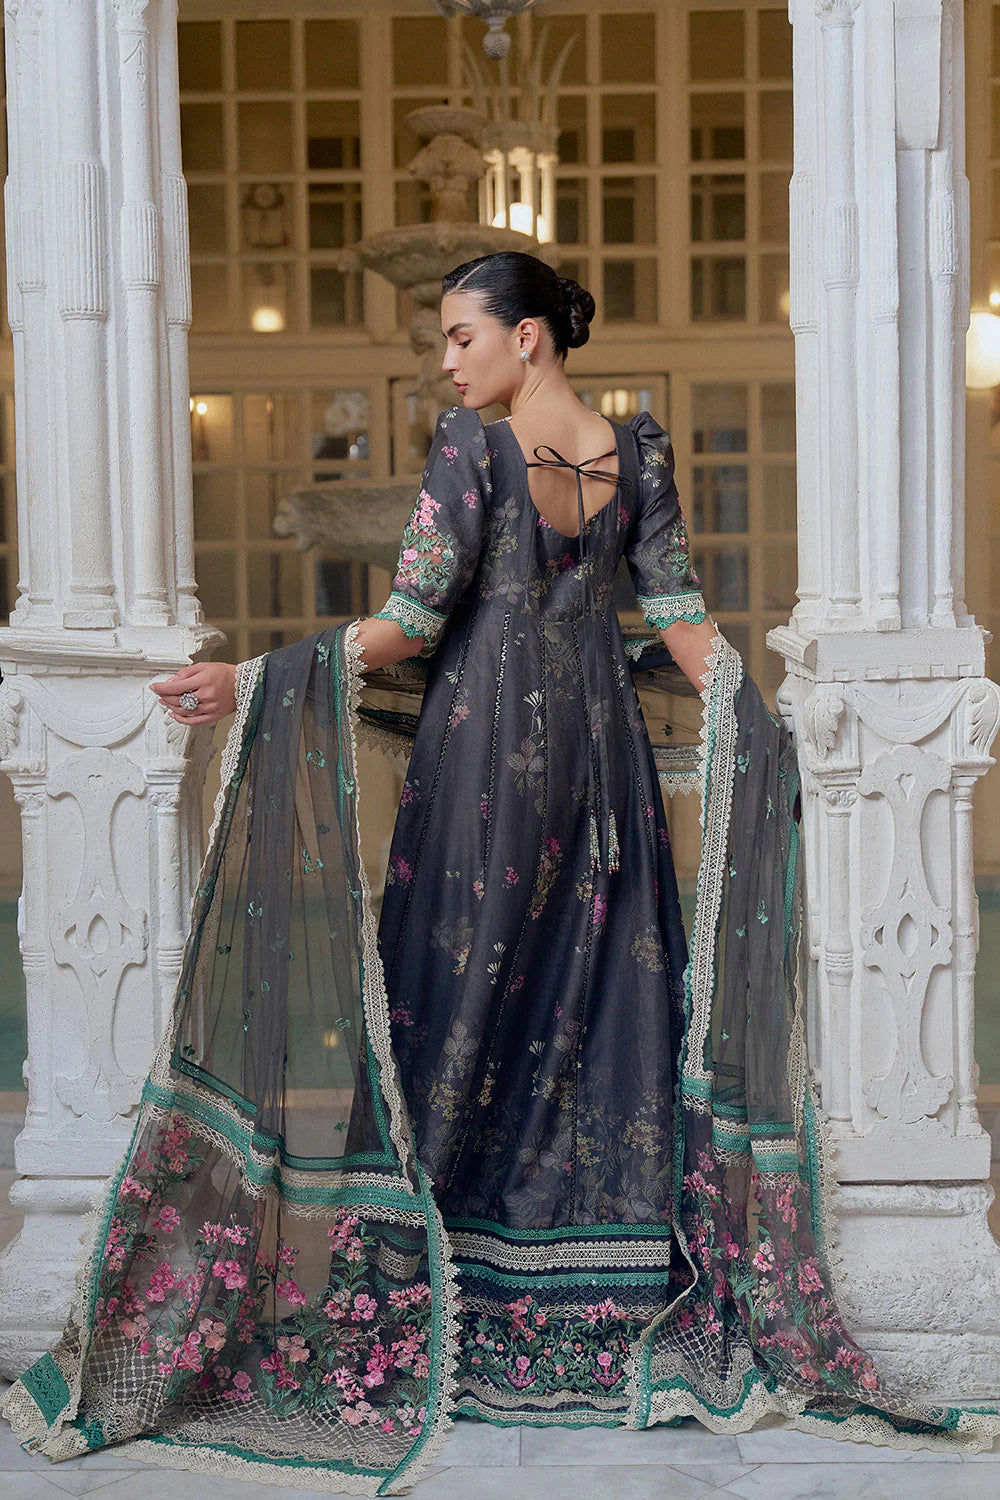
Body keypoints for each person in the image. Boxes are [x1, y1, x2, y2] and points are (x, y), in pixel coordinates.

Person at [4, 253, 996, 1493]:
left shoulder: (470, 453)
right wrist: (756, 721)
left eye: (461, 337)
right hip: (601, 773)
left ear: (528, 338)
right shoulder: (636, 453)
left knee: (453, 1012)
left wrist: (253, 676)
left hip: (482, 773)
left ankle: (429, 1297)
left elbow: (413, 621)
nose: (446, 361)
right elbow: (681, 617)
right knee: (590, 1013)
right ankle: (589, 1305)